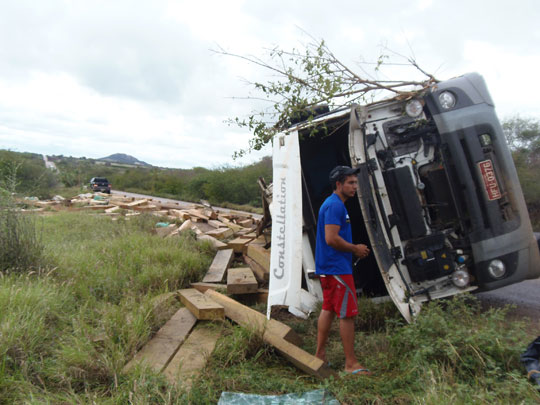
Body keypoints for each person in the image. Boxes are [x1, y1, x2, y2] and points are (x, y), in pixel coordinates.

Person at [314, 165, 371, 375]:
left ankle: (319, 355)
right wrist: (355, 248)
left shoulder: (333, 204)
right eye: (351, 183)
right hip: (337, 268)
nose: (355, 186)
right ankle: (351, 364)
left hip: (329, 268)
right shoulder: (335, 206)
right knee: (347, 314)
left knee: (328, 309)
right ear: (338, 184)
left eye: (355, 182)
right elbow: (331, 238)